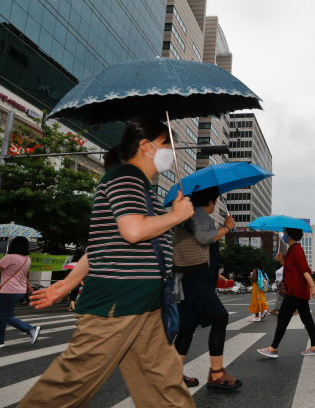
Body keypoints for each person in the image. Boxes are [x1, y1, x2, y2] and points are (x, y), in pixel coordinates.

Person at [19, 117, 196, 407]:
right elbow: (133, 231)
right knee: (66, 388)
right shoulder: (126, 177)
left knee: (164, 388)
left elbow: (101, 247)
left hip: (143, 303)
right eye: (167, 144)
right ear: (145, 146)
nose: (171, 154)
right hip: (117, 303)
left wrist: (66, 284)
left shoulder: (141, 185)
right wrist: (175, 216)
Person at [173, 187, 241, 390]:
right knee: (219, 317)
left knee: (187, 327)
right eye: (215, 202)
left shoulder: (189, 211)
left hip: (189, 278)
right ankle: (216, 373)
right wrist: (227, 227)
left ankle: (173, 375)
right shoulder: (200, 213)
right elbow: (204, 238)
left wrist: (215, 273)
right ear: (210, 202)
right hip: (196, 280)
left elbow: (197, 246)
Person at [257, 227, 315, 358]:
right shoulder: (292, 250)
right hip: (297, 290)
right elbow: (293, 267)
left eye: (285, 234)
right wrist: (281, 261)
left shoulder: (296, 249)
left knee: (283, 317)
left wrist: (313, 286)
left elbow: (304, 269)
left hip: (295, 290)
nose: (283, 236)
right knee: (306, 318)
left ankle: (273, 348)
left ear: (290, 236)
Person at [0, 237, 39, 348]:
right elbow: (24, 275)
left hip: (8, 291)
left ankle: (30, 329)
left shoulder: (9, 257)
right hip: (19, 290)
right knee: (0, 316)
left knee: (6, 316)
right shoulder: (27, 259)